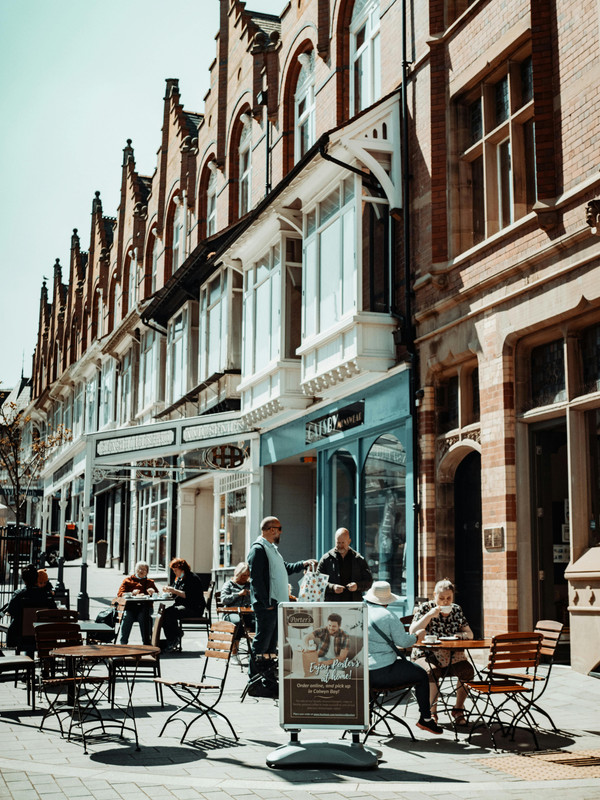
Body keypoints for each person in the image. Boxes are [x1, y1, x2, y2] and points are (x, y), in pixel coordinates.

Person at [247, 516, 316, 694]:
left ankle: (268, 682)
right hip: (268, 606)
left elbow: (283, 567)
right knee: (262, 644)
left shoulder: (271, 549)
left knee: (270, 646)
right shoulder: (259, 549)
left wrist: (303, 564)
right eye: (279, 528)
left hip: (275, 605)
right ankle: (254, 684)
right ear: (271, 529)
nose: (280, 532)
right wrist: (266, 603)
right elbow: (256, 581)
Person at [366, 580, 444, 735]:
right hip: (385, 671)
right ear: (387, 600)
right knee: (421, 674)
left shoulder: (361, 612)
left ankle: (367, 721)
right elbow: (403, 642)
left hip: (364, 674)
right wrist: (416, 636)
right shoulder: (388, 616)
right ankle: (426, 719)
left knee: (370, 690)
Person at [409, 578, 474, 725]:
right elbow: (412, 631)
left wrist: (463, 635)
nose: (445, 602)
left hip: (450, 655)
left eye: (449, 598)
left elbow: (470, 634)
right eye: (441, 598)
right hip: (425, 654)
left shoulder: (456, 609)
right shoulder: (426, 608)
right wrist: (430, 615)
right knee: (432, 671)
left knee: (467, 670)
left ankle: (458, 709)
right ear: (434, 595)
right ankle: (432, 712)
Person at [6, 563, 57, 657]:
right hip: (43, 636)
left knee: (25, 634)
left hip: (21, 637)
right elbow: (54, 613)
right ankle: (46, 666)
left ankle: (28, 664)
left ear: (24, 580)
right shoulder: (47, 596)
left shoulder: (18, 595)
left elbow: (11, 612)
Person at [161, 558, 206, 652]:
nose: (174, 572)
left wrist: (174, 590)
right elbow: (174, 592)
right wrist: (169, 590)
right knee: (164, 613)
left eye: (175, 570)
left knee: (169, 613)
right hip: (183, 606)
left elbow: (188, 595)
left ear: (182, 569)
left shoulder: (192, 578)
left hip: (194, 608)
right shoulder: (179, 578)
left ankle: (174, 637)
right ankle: (174, 636)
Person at [317, 527, 373, 602]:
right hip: (332, 605)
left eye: (343, 543)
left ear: (349, 541)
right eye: (338, 543)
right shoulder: (326, 559)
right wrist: (332, 587)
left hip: (353, 605)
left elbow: (368, 582)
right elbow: (317, 582)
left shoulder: (358, 559)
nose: (340, 545)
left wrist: (357, 586)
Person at [116, 560, 158, 645]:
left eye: (144, 569)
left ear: (147, 572)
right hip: (130, 607)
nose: (141, 571)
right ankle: (123, 643)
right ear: (135, 569)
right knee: (127, 617)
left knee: (143, 616)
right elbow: (120, 594)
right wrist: (132, 593)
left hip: (145, 607)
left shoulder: (150, 582)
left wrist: (153, 593)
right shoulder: (127, 580)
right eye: (139, 569)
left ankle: (146, 643)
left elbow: (156, 595)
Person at [220, 561, 254, 630]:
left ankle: (253, 640)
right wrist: (238, 594)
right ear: (238, 574)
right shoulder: (229, 585)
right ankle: (236, 640)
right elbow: (223, 600)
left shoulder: (250, 586)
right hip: (231, 614)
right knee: (238, 622)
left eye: (248, 575)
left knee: (258, 622)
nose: (246, 578)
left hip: (247, 614)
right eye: (244, 575)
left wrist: (253, 595)